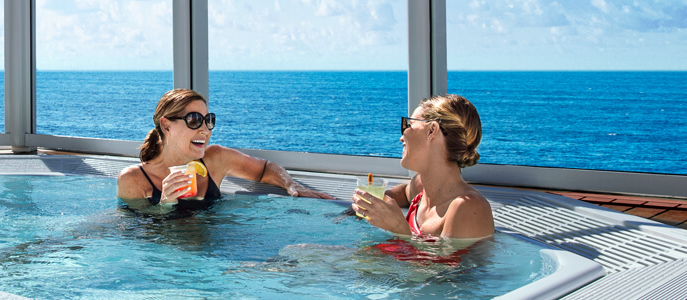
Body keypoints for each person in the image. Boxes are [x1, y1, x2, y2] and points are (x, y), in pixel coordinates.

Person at [116, 89, 333, 215]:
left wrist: (290, 184)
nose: (205, 129)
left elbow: (264, 169)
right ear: (166, 126)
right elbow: (132, 234)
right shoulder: (134, 179)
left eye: (208, 120)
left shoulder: (215, 159)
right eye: (194, 120)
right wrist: (164, 206)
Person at [352, 94, 494, 241]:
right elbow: (404, 193)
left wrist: (399, 229)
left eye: (409, 125)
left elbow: (446, 264)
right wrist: (371, 203)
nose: (402, 136)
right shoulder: (421, 186)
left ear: (432, 130)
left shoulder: (468, 208)